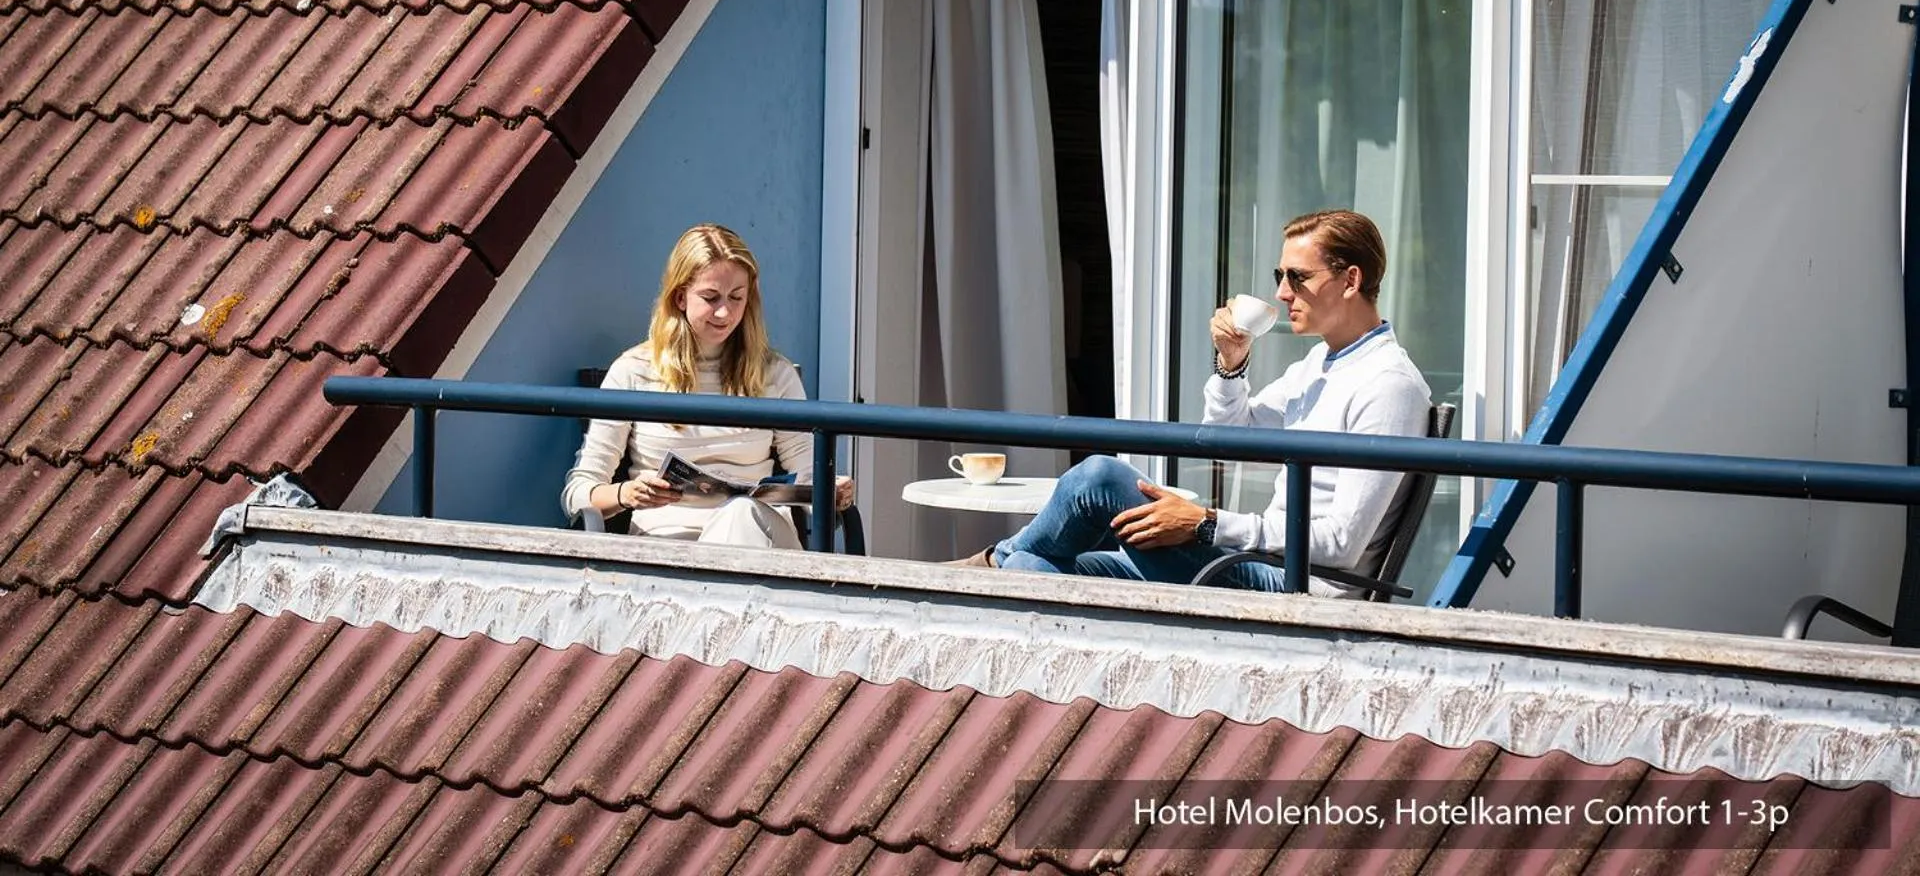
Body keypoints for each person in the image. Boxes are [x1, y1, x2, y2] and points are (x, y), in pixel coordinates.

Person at [953, 209, 1430, 596]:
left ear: (1350, 280)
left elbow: (1342, 545)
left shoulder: (1388, 385)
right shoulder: (1318, 365)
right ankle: (1003, 564)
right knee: (1030, 563)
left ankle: (988, 562)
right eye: (1279, 275)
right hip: (1251, 561)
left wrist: (1206, 524)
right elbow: (1228, 441)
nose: (1282, 292)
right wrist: (1231, 365)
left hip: (1296, 586)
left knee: (1100, 478)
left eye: (1298, 277)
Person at [562, 223, 852, 548]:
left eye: (737, 297)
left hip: (762, 541)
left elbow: (808, 472)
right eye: (711, 298)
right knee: (734, 522)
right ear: (680, 297)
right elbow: (577, 494)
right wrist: (625, 494)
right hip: (668, 543)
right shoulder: (633, 372)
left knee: (740, 512)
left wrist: (830, 491)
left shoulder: (774, 374)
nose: (725, 312)